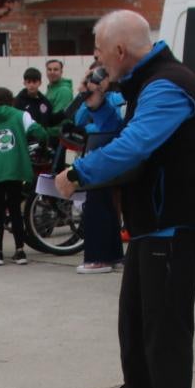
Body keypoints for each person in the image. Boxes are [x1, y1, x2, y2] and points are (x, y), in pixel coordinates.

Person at [54, 10, 195, 388]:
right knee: (136, 320)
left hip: (174, 222)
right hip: (152, 224)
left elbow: (135, 144)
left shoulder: (168, 84)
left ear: (121, 51)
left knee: (165, 325)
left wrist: (80, 172)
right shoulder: (145, 82)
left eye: (100, 52)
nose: (97, 60)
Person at [0, 87, 48, 265]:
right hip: (15, 168)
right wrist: (44, 139)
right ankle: (19, 251)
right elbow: (39, 132)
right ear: (11, 100)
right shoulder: (21, 115)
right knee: (16, 210)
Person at [72, 67, 126, 274]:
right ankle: (112, 255)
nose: (96, 81)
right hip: (98, 151)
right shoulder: (98, 100)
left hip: (112, 154)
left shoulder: (119, 97)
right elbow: (79, 119)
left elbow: (115, 122)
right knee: (102, 204)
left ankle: (99, 257)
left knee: (100, 205)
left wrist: (101, 99)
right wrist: (86, 95)